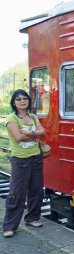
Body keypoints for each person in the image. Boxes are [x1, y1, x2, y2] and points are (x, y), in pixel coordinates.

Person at [2, 89, 46, 238]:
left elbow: (43, 132)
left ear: (28, 101)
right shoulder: (11, 118)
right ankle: (9, 226)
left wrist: (29, 133)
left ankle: (32, 218)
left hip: (36, 158)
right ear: (14, 102)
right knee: (17, 193)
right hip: (20, 160)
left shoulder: (33, 117)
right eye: (19, 99)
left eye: (25, 98)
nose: (22, 101)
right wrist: (34, 134)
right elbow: (18, 137)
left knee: (37, 191)